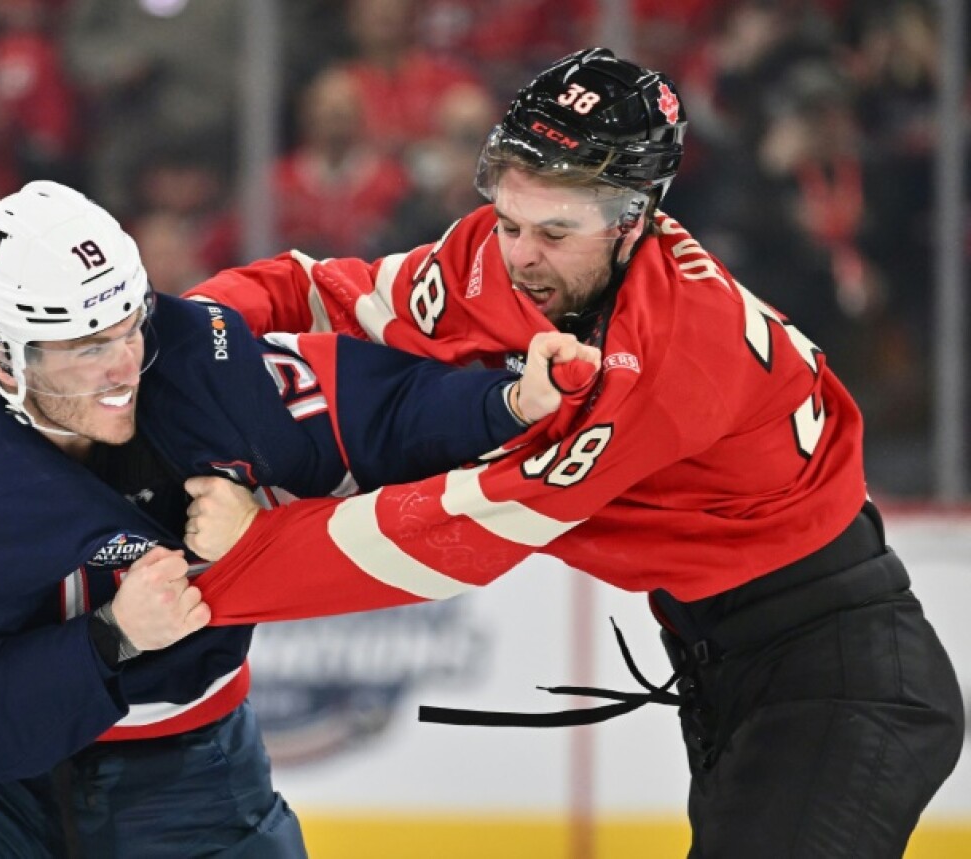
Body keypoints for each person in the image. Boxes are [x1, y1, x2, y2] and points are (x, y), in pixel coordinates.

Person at [181, 48, 964, 858]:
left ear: (635, 219)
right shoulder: (503, 255)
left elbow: (463, 532)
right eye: (511, 220)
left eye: (555, 232)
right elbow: (336, 294)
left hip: (839, 673)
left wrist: (231, 561)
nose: (520, 255)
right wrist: (173, 330)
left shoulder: (667, 357)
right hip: (727, 655)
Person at [0, 179, 593, 858]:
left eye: (129, 325)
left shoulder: (194, 358)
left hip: (183, 767)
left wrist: (508, 402)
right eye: (89, 347)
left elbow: (370, 409)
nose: (125, 365)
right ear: (6, 359)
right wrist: (112, 635)